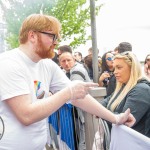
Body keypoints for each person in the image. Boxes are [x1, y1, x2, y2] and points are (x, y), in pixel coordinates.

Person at [0, 14, 135, 149]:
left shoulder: (47, 65)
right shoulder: (9, 63)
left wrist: (115, 118)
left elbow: (79, 97)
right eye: (52, 36)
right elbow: (26, 115)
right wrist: (68, 93)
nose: (56, 42)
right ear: (32, 36)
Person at [100, 51, 150, 137]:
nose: (115, 72)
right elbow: (102, 104)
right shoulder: (123, 87)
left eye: (119, 67)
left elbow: (123, 122)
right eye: (114, 68)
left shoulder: (141, 89)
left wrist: (100, 113)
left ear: (132, 68)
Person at [59, 52, 91, 150]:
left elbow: (74, 92)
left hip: (86, 112)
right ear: (60, 63)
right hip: (79, 112)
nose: (66, 63)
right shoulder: (66, 72)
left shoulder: (77, 71)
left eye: (69, 60)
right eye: (63, 61)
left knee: (84, 141)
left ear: (74, 60)